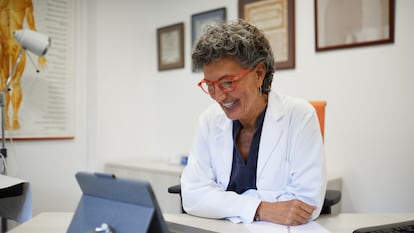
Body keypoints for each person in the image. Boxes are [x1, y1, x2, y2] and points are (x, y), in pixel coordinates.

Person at [180, 20, 326, 226]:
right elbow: (192, 195)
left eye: (228, 83)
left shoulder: (300, 116)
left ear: (259, 74)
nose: (219, 96)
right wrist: (260, 208)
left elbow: (305, 205)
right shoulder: (209, 120)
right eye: (210, 86)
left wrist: (220, 201)